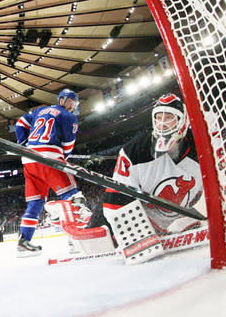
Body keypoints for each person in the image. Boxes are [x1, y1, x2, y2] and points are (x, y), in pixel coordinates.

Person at [84, 93, 205, 263]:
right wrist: (130, 233)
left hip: (174, 216)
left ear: (182, 120)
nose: (162, 123)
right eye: (158, 117)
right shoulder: (134, 151)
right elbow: (115, 200)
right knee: (97, 237)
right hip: (140, 216)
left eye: (169, 117)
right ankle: (87, 227)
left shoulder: (202, 146)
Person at [13, 88, 90, 257]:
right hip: (49, 157)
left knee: (35, 203)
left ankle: (23, 243)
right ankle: (75, 240)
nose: (71, 106)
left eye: (73, 103)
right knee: (72, 195)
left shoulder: (40, 110)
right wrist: (63, 157)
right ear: (61, 100)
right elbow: (68, 145)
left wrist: (25, 142)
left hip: (28, 158)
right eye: (69, 102)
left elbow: (20, 123)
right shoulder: (69, 117)